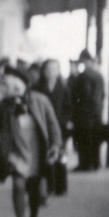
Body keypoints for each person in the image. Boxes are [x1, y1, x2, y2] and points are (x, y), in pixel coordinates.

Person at [0, 66, 63, 217]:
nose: (4, 87)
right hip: (17, 152)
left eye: (6, 84)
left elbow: (53, 126)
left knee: (34, 190)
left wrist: (55, 145)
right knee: (17, 185)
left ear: (18, 84)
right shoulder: (5, 105)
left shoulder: (40, 100)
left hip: (37, 152)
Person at [36, 58, 72, 195]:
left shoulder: (64, 88)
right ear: (43, 71)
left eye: (54, 69)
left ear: (58, 71)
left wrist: (64, 121)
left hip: (60, 127)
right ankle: (49, 186)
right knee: (45, 155)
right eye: (48, 69)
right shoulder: (38, 88)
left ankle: (61, 187)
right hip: (43, 126)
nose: (51, 72)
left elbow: (69, 108)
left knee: (60, 156)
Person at [70, 50, 106, 171]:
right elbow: (102, 96)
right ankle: (95, 163)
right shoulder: (99, 75)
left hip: (84, 114)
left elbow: (84, 95)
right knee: (95, 139)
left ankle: (85, 164)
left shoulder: (83, 76)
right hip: (96, 113)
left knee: (84, 140)